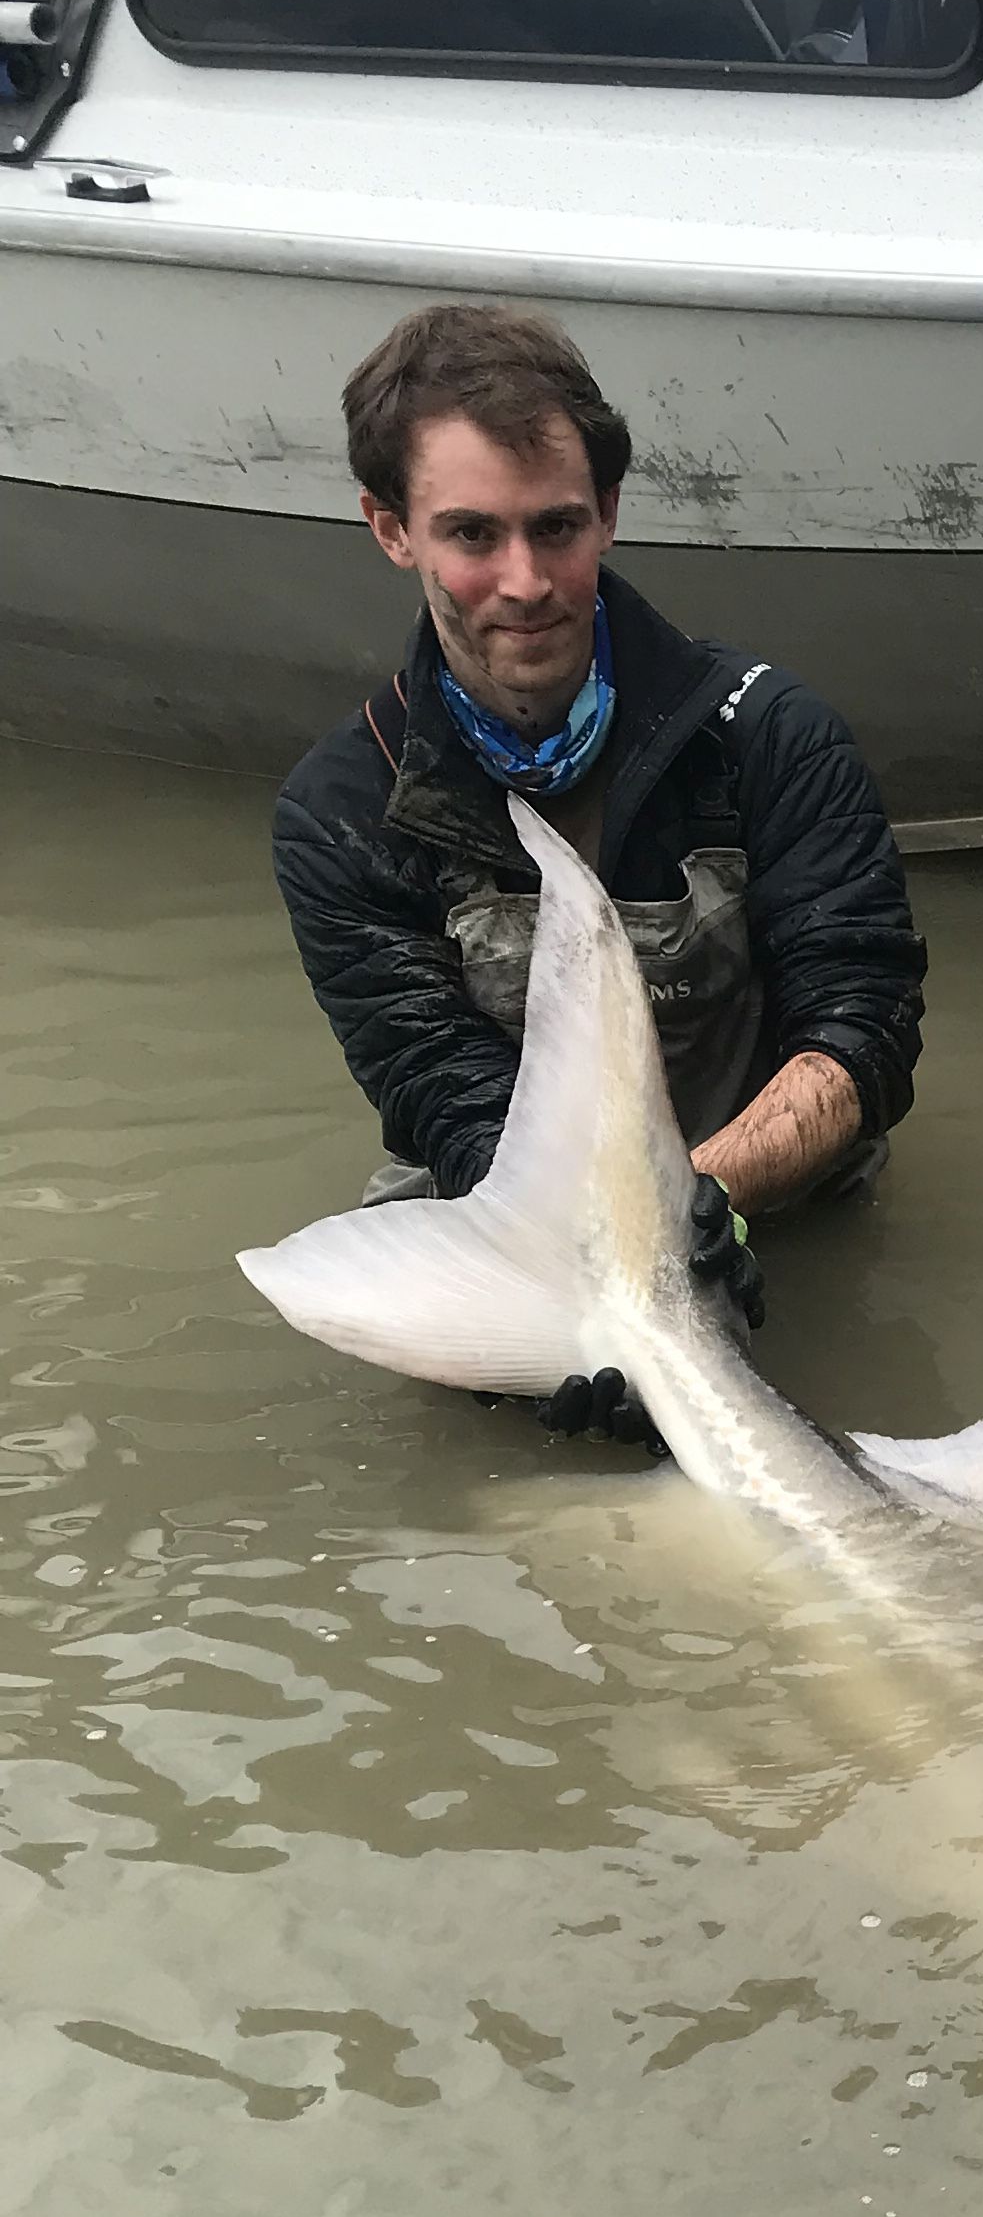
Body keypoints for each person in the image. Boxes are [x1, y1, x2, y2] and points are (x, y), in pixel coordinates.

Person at [274, 302, 926, 1436]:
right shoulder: (340, 810)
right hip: (510, 1198)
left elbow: (860, 1028)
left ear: (609, 514)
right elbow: (442, 1085)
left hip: (755, 1183)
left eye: (557, 528)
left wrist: (700, 1205)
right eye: (473, 535)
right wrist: (571, 1293)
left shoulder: (770, 734)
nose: (524, 580)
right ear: (392, 528)